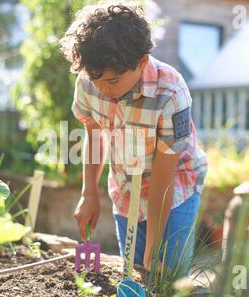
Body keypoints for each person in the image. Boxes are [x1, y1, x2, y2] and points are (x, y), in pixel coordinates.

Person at [59, 2, 208, 275]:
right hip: (126, 186)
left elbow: (163, 182)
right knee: (130, 273)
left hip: (174, 190)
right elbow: (94, 133)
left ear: (141, 62)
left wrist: (153, 251)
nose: (103, 89)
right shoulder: (87, 81)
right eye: (96, 79)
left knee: (165, 276)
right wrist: (89, 192)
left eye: (113, 81)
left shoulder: (171, 94)